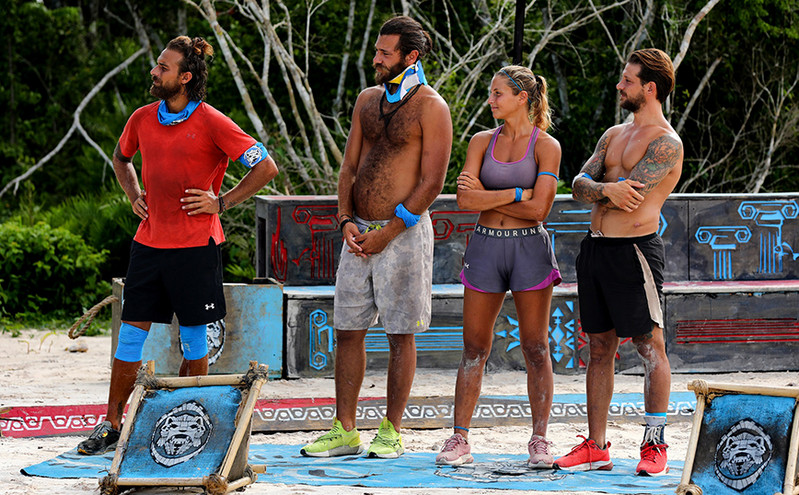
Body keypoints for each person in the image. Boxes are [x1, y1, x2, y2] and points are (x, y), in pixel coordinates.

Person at [76, 36, 278, 455]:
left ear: (185, 77)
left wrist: (222, 202)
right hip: (148, 245)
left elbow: (266, 166)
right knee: (129, 338)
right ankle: (111, 424)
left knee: (194, 341)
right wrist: (133, 194)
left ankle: (185, 424)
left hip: (196, 247)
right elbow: (121, 158)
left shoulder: (214, 121)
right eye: (157, 64)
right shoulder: (141, 118)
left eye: (163, 68)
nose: (154, 72)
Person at [300, 16, 452, 459]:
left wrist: (390, 230)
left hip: (403, 234)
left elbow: (432, 182)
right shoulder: (367, 100)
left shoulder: (432, 107)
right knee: (347, 329)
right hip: (358, 233)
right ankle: (345, 430)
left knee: (401, 333)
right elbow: (349, 166)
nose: (377, 59)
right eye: (377, 51)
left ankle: (391, 430)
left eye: (386, 53)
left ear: (411, 56)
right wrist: (345, 218)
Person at [553, 48, 683, 476]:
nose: (619, 85)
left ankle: (654, 445)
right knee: (599, 349)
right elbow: (577, 186)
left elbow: (629, 197)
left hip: (634, 251)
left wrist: (602, 189)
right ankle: (596, 446)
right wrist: (606, 189)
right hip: (595, 250)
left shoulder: (666, 143)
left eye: (627, 80)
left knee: (649, 347)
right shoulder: (612, 135)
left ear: (650, 88)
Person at [434, 66, 562, 468]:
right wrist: (518, 192)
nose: (490, 101)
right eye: (491, 93)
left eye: (498, 94)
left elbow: (540, 210)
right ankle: (460, 438)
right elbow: (465, 201)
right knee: (474, 347)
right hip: (486, 246)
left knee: (535, 347)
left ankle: (539, 439)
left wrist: (490, 195)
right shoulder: (480, 141)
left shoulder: (547, 146)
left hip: (529, 249)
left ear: (522, 98)